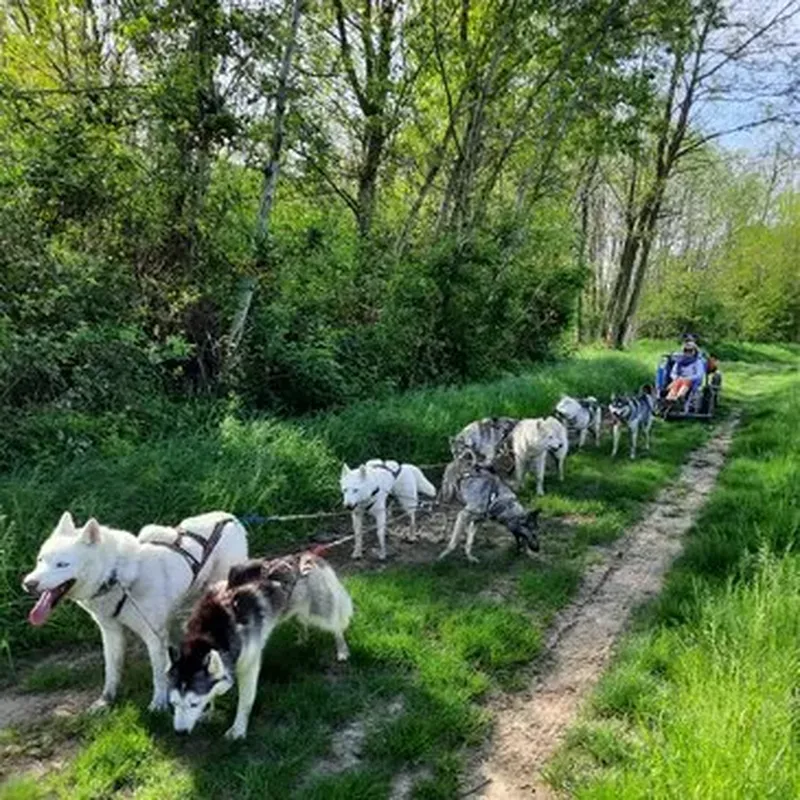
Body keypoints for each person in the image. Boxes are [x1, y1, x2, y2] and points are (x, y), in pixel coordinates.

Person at [666, 336, 705, 410]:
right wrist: (676, 377)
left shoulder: (697, 362)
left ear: (694, 352)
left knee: (684, 382)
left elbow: (699, 374)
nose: (688, 353)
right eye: (686, 351)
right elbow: (673, 372)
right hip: (679, 379)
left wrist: (687, 378)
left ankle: (679, 397)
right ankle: (669, 399)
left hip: (692, 381)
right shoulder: (679, 361)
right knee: (676, 383)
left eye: (690, 351)